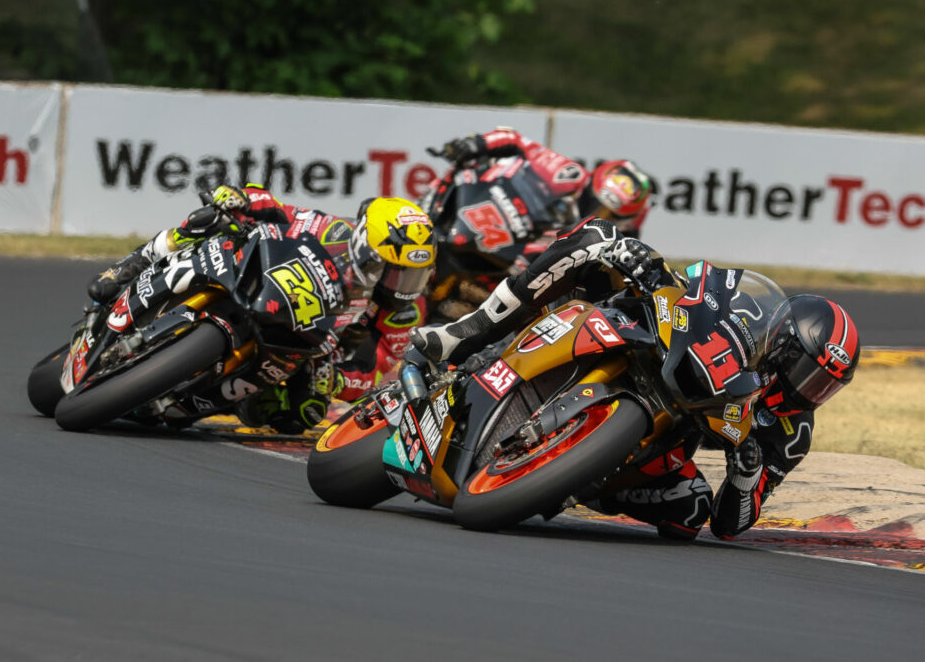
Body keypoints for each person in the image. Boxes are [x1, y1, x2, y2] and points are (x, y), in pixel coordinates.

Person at [409, 216, 860, 541]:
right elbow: (699, 289)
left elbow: (730, 525)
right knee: (598, 236)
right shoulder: (752, 313)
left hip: (672, 431)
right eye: (806, 373)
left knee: (690, 511)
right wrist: (653, 272)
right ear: (782, 344)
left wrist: (744, 477)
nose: (807, 392)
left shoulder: (791, 431)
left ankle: (575, 477)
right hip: (650, 340)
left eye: (824, 387)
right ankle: (465, 333)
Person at [88, 184, 437, 433]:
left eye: (412, 275)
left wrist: (339, 380)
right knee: (209, 220)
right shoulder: (334, 231)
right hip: (271, 286)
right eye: (392, 271)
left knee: (305, 413)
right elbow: (278, 209)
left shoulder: (405, 310)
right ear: (364, 246)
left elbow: (380, 368)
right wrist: (241, 198)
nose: (400, 285)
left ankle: (209, 398)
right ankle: (129, 267)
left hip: (313, 346)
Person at [436, 127, 654, 237]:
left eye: (607, 215)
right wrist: (478, 144)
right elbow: (516, 140)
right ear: (590, 189)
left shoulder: (620, 238)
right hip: (487, 220)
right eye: (597, 206)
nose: (598, 216)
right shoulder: (568, 174)